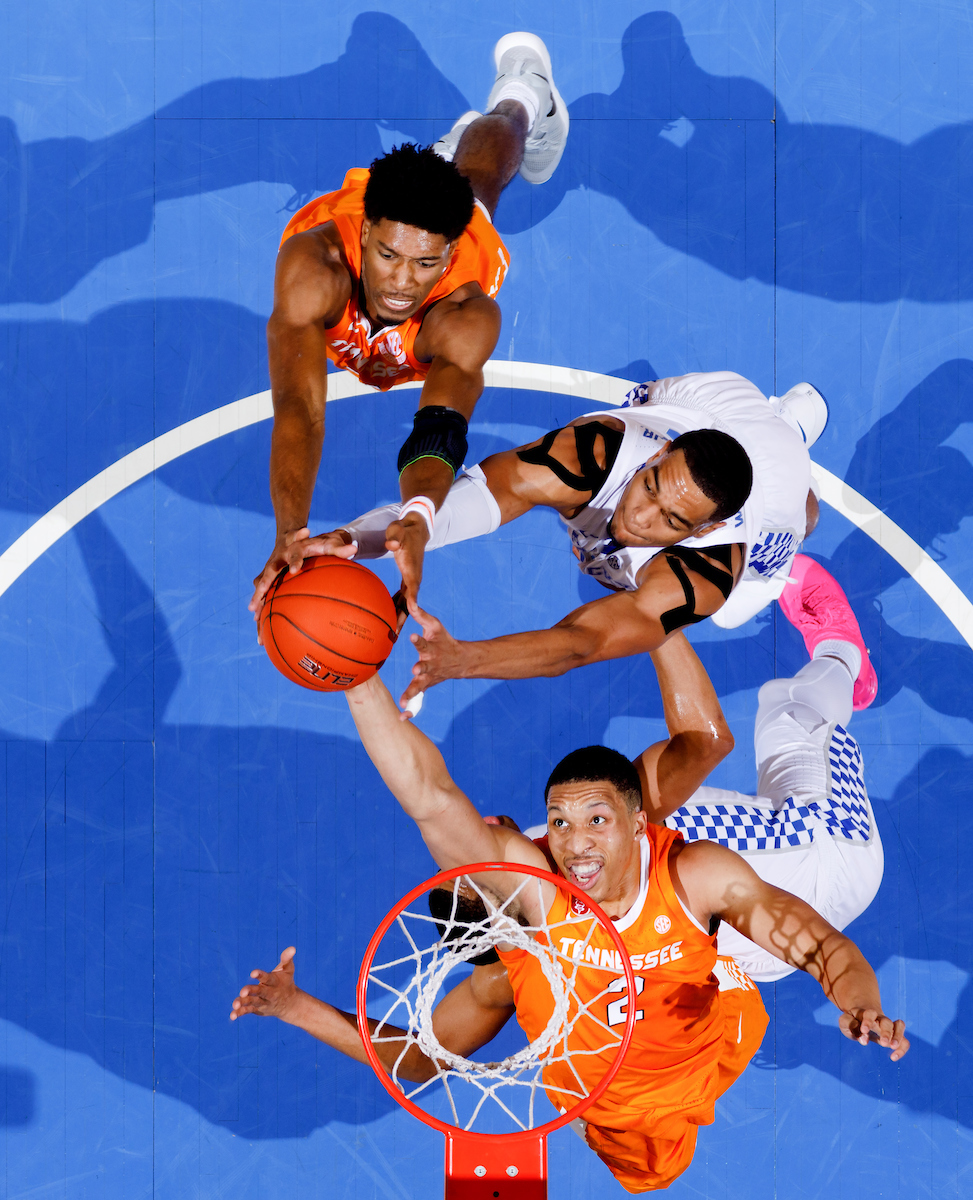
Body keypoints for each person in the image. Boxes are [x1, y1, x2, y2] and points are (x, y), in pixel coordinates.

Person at [231, 557, 906, 1193]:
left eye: (577, 822)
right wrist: (652, 611)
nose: (568, 842)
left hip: (749, 916)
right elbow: (431, 799)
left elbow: (434, 798)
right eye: (556, 826)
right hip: (821, 867)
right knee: (788, 717)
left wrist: (356, 675)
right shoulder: (546, 913)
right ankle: (841, 663)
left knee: (742, 814)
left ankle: (830, 661)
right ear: (509, 923)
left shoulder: (674, 872)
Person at [250, 33, 569, 624]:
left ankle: (523, 97)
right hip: (363, 232)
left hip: (451, 224)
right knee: (447, 181)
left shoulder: (463, 316)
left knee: (479, 182)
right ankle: (458, 145)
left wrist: (420, 512)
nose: (402, 282)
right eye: (390, 256)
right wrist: (292, 529)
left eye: (425, 263)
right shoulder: (312, 272)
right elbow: (300, 407)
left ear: (447, 257)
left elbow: (439, 429)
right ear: (367, 231)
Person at [311, 371, 857, 712]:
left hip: (775, 490)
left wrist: (462, 660)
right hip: (704, 398)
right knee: (607, 528)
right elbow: (469, 501)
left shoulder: (708, 571)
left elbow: (582, 642)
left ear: (704, 532)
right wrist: (353, 539)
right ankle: (777, 421)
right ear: (655, 454)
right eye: (649, 486)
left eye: (670, 521)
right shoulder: (590, 454)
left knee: (749, 593)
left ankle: (791, 432)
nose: (640, 517)